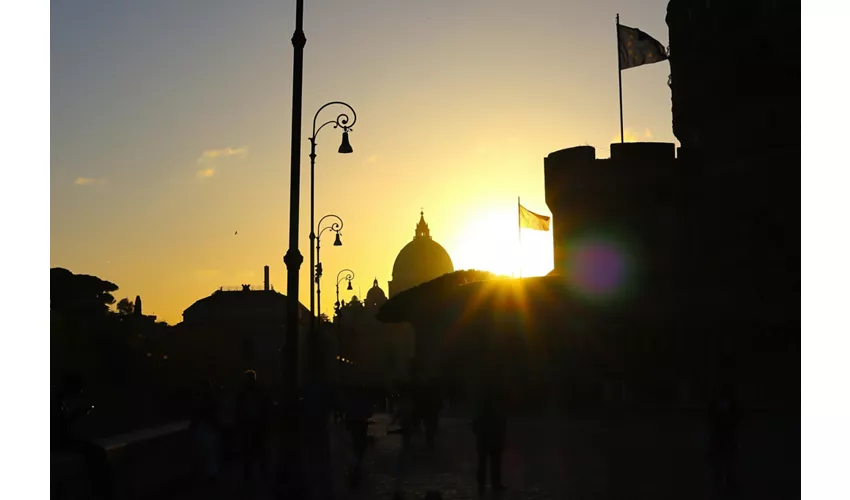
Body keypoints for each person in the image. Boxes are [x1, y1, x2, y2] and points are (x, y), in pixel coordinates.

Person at [52, 374, 112, 499]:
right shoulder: (55, 401)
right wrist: (77, 414)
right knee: (97, 452)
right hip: (58, 442)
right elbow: (58, 426)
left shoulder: (57, 399)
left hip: (58, 440)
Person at [236, 370, 270, 483]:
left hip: (252, 424)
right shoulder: (259, 391)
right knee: (257, 450)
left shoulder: (245, 392)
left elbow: (239, 409)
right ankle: (260, 473)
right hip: (255, 424)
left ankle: (251, 474)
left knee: (251, 451)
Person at [472, 385, 506, 494]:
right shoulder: (497, 408)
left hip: (484, 440)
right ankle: (495, 484)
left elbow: (475, 425)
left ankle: (482, 485)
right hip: (493, 439)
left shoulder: (481, 408)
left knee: (483, 463)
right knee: (494, 463)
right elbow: (502, 423)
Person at [189, 380, 221, 481]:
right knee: (210, 452)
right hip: (210, 427)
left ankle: (209, 474)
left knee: (205, 451)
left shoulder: (202, 400)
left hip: (206, 427)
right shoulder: (213, 399)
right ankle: (211, 473)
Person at [345, 386, 373, 488]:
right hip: (361, 423)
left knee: (356, 442)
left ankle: (356, 462)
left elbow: (347, 412)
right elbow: (370, 412)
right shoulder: (365, 400)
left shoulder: (351, 400)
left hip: (354, 423)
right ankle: (358, 461)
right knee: (360, 443)